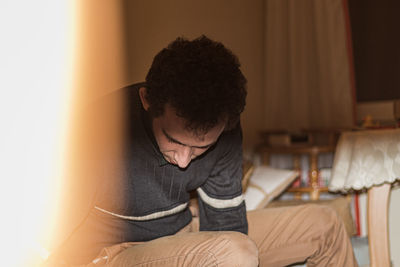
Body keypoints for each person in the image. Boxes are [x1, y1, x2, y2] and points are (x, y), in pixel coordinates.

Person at [46, 35, 358, 266]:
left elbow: (226, 227)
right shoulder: (98, 128)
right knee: (235, 254)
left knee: (324, 224)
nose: (183, 162)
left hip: (181, 234)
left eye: (201, 148)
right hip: (111, 253)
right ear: (146, 100)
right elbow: (43, 234)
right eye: (175, 140)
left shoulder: (226, 130)